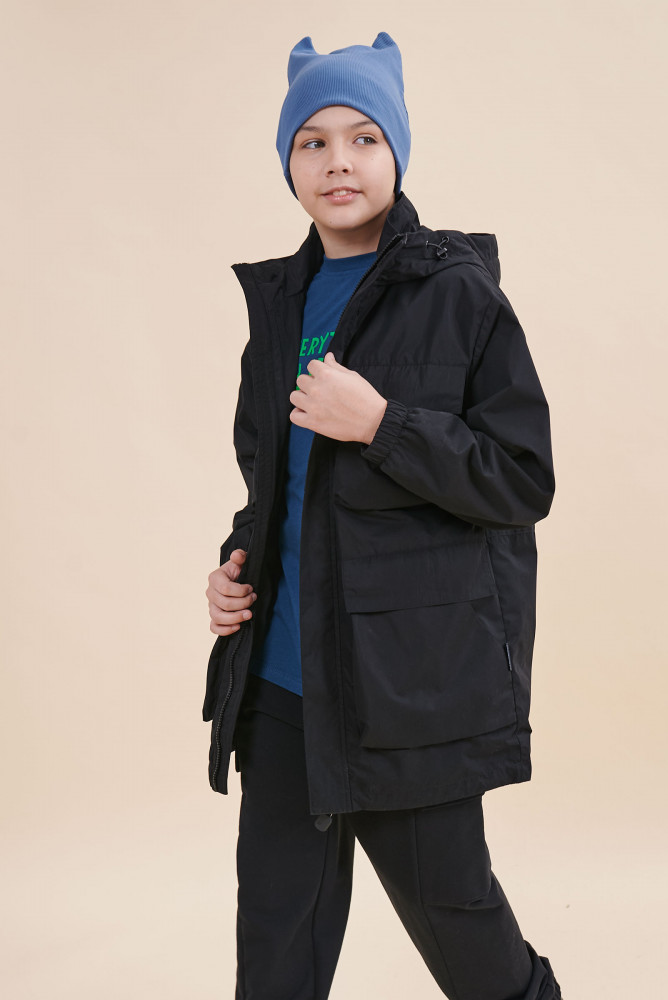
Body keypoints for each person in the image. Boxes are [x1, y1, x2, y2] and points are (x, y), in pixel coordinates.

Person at [204, 31, 561, 1000]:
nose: (338, 161)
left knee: (460, 923)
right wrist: (235, 565)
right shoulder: (279, 304)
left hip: (407, 688)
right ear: (288, 163)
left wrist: (382, 424)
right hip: (282, 683)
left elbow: (521, 479)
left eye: (363, 137)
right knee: (275, 937)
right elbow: (272, 484)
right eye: (312, 141)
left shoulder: (457, 292)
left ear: (397, 152)